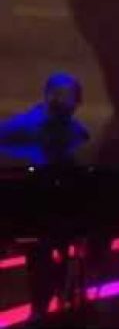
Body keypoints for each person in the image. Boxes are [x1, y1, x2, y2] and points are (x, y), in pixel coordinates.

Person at [0, 72, 91, 322]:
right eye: (65, 97)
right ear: (49, 96)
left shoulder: (76, 132)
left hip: (57, 207)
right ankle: (45, 305)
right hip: (30, 208)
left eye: (72, 98)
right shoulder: (19, 130)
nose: (71, 104)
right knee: (42, 249)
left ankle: (53, 301)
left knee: (55, 246)